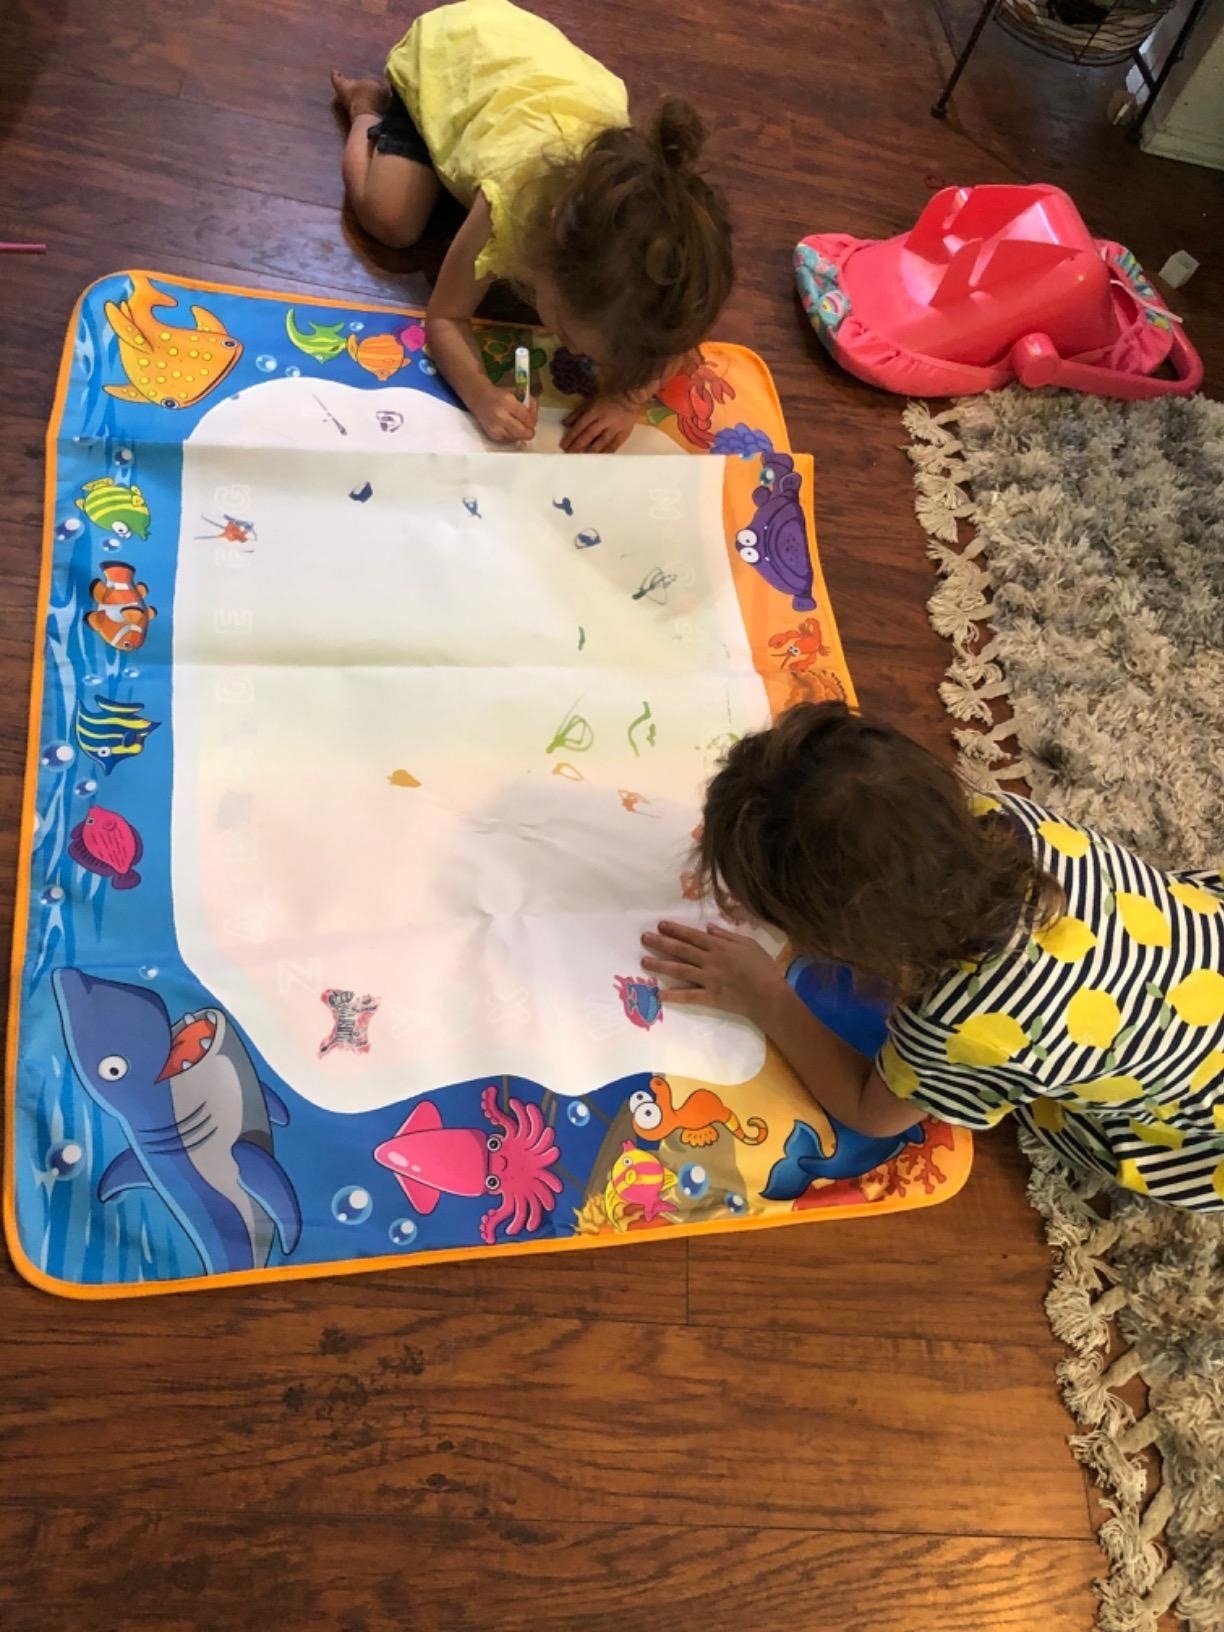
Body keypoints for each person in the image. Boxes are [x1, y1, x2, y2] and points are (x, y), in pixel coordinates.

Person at [641, 702, 1224, 1211]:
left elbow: (868, 1112)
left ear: (841, 941)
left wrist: (765, 996)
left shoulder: (960, 1028)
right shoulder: (1012, 818)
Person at [331, 0, 733, 451]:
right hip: (453, 61)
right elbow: (444, 317)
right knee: (391, 221)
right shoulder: (510, 200)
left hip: (530, 60)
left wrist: (626, 400)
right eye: (566, 334)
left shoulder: (668, 251)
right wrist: (481, 396)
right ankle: (366, 108)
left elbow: (675, 342)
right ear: (548, 258)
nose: (576, 355)